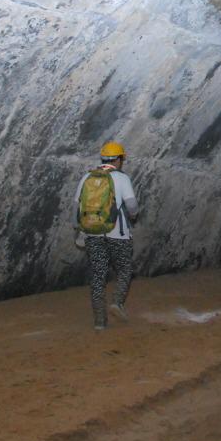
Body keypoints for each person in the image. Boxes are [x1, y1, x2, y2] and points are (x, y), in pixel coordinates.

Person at [74, 140, 139, 331]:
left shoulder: (86, 177)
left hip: (93, 234)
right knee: (125, 269)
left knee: (98, 275)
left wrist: (79, 230)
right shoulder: (121, 178)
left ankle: (99, 322)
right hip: (118, 234)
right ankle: (117, 302)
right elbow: (132, 206)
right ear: (119, 160)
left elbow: (76, 208)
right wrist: (134, 215)